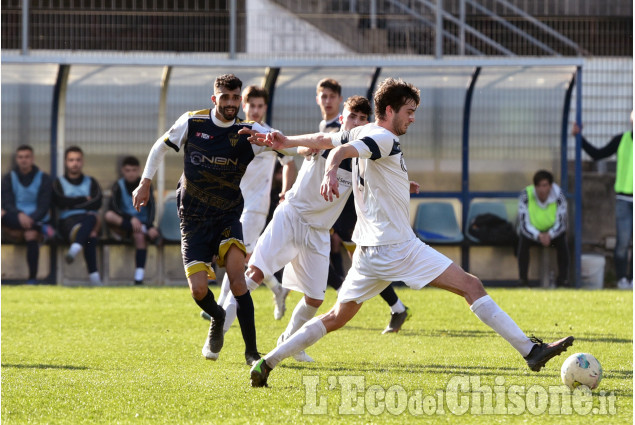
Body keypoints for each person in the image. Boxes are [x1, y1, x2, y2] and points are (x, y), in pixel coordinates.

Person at [249, 77, 574, 387]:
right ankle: (531, 352)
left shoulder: (364, 131)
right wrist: (332, 168)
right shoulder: (384, 138)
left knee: (336, 316)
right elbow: (337, 151)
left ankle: (268, 362)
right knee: (471, 285)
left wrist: (287, 141)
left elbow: (325, 140)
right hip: (398, 246)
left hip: (367, 252)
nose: (413, 119)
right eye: (409, 112)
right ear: (389, 110)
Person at [132, 74, 278, 366]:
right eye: (225, 97)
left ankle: (252, 352)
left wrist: (316, 150)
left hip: (227, 214)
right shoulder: (193, 122)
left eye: (236, 98)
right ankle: (218, 315)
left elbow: (285, 148)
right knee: (199, 289)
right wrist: (145, 182)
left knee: (238, 279)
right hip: (194, 217)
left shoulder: (250, 131)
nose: (231, 103)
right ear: (215, 99)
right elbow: (160, 146)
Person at [318, 79, 412, 334]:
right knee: (349, 259)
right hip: (331, 210)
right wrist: (297, 147)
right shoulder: (331, 134)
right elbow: (316, 143)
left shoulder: (365, 140)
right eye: (353, 117)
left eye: (363, 117)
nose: (358, 122)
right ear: (342, 118)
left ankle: (350, 299)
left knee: (360, 262)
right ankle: (394, 305)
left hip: (351, 212)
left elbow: (371, 172)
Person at [213, 85, 297, 323]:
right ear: (244, 105)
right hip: (231, 204)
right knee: (248, 257)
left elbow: (290, 163)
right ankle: (278, 289)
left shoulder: (271, 136)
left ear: (265, 108)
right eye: (253, 105)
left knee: (236, 254)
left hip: (256, 206)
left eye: (261, 106)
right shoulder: (234, 131)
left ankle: (219, 308)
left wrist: (284, 193)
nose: (257, 110)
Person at [573, 119, 633, 289]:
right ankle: (622, 279)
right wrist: (580, 138)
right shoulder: (622, 140)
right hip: (624, 199)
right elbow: (597, 154)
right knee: (622, 242)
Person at [104, 156, 161, 285]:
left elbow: (152, 207)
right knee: (109, 215)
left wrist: (149, 224)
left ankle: (138, 278)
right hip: (126, 224)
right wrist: (131, 219)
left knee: (140, 236)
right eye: (128, 170)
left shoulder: (146, 185)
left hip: (140, 226)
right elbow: (114, 208)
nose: (131, 173)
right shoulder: (118, 185)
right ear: (123, 171)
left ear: (139, 170)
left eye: (134, 170)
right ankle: (145, 231)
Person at [1, 145, 53, 284]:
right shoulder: (8, 178)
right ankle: (41, 228)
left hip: (37, 217)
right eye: (20, 157)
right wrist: (20, 215)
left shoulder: (44, 178)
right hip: (17, 218)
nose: (23, 160)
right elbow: (7, 203)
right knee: (1, 213)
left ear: (32, 159)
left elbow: (44, 205)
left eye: (27, 157)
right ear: (16, 159)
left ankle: (32, 278)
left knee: (31, 234)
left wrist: (30, 219)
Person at [53, 146, 103, 286]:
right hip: (68, 223)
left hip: (88, 221)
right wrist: (83, 200)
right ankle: (95, 279)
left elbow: (97, 202)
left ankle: (75, 248)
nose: (74, 163)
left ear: (82, 162)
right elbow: (60, 202)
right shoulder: (58, 183)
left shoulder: (91, 181)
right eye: (71, 160)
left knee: (90, 227)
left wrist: (71, 203)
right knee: (90, 230)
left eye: (78, 160)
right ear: (65, 162)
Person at [517, 170, 569, 287]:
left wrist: (550, 234)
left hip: (552, 233)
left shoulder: (559, 196)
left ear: (550, 186)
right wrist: (538, 235)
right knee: (522, 242)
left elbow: (562, 223)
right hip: (533, 233)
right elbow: (524, 224)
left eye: (545, 185)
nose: (542, 189)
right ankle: (523, 281)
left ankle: (563, 280)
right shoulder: (526, 195)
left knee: (563, 243)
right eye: (538, 186)